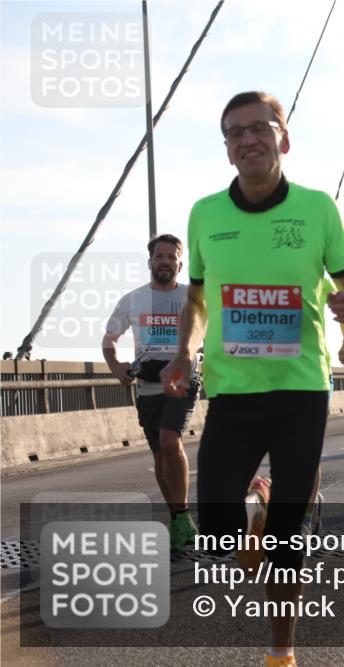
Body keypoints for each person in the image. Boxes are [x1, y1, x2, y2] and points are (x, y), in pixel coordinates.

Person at [160, 91, 344, 667]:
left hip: (302, 389)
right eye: (235, 133)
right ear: (227, 149)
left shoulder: (318, 209)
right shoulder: (205, 214)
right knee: (220, 531)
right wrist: (183, 351)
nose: (247, 139)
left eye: (260, 128)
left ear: (284, 138)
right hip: (232, 391)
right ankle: (264, 496)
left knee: (285, 543)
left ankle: (281, 654)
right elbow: (198, 301)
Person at [102, 233, 200, 552]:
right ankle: (176, 519)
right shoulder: (132, 300)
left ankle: (184, 516)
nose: (165, 261)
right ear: (150, 262)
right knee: (159, 458)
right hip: (146, 387)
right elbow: (109, 339)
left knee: (171, 442)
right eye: (160, 256)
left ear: (180, 264)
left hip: (182, 381)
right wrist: (117, 368)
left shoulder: (193, 298)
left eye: (172, 257)